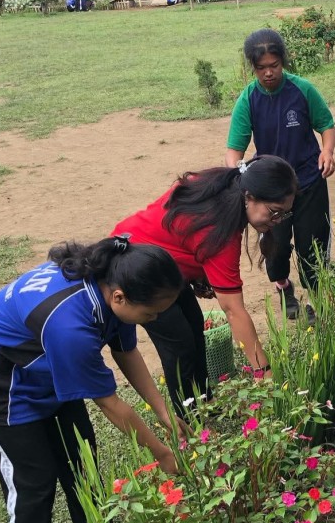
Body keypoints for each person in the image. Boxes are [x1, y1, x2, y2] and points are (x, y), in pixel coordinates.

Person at [0, 237, 187, 523]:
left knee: (82, 463)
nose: (153, 319)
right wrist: (161, 453)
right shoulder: (71, 327)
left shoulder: (112, 282)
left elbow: (125, 351)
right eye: (149, 313)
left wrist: (163, 410)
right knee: (35, 482)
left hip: (46, 362)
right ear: (119, 297)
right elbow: (110, 404)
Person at [112, 156, 297, 416]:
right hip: (135, 267)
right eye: (274, 211)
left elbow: (183, 238)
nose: (278, 220)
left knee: (194, 326)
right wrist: (262, 370)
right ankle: (187, 418)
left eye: (284, 213)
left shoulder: (226, 189)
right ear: (250, 195)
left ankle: (203, 400)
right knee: (179, 344)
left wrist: (197, 274)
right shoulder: (220, 230)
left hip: (164, 266)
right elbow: (233, 310)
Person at [225, 30, 335, 321]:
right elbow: (234, 151)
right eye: (262, 68)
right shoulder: (248, 99)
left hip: (309, 181)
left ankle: (315, 298)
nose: (269, 72)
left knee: (312, 245)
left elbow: (326, 126)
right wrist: (240, 178)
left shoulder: (303, 90)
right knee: (276, 247)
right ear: (253, 67)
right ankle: (284, 286)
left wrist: (327, 151)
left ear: (283, 62)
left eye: (274, 65)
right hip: (272, 191)